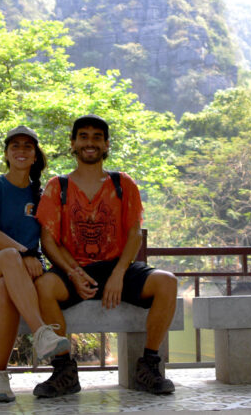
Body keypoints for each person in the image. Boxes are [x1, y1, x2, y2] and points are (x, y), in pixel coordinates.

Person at [32, 114, 178, 397]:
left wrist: (119, 274)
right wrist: (73, 273)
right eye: (83, 137)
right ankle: (64, 369)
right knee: (44, 286)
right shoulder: (57, 186)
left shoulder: (123, 184)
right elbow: (48, 241)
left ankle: (149, 365)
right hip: (73, 268)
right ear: (72, 144)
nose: (90, 143)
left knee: (167, 282)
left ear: (106, 144)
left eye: (97, 137)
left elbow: (134, 234)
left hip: (116, 266)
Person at [0, 125, 70, 403]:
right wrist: (26, 254)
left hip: (20, 275)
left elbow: (51, 240)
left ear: (35, 155)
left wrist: (72, 269)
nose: (21, 151)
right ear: (7, 154)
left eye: (28, 146)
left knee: (6, 288)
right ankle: (41, 333)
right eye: (16, 146)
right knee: (9, 261)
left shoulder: (42, 196)